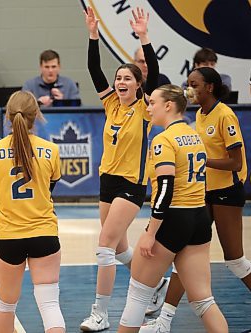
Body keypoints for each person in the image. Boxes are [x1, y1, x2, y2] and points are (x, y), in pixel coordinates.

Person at [140, 67, 251, 333]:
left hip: (226, 192)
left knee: (235, 261)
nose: (189, 89)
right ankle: (164, 322)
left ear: (210, 87)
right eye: (188, 84)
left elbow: (236, 163)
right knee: (184, 257)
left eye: (195, 84)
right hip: (201, 194)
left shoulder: (224, 114)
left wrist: (201, 160)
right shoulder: (198, 116)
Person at [79, 7, 169, 332]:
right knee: (118, 248)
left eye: (126, 78)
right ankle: (155, 283)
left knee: (104, 244)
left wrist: (144, 37)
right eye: (118, 78)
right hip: (107, 181)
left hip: (131, 185)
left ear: (138, 84)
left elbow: (155, 71)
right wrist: (93, 33)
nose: (119, 82)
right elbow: (93, 67)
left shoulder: (145, 108)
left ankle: (100, 314)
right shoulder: (111, 103)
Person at [117, 84, 228, 333]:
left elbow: (165, 188)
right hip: (199, 217)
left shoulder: (164, 140)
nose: (148, 108)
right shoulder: (194, 135)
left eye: (152, 103)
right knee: (202, 299)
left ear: (169, 105)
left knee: (137, 296)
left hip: (172, 218)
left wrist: (150, 232)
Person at [0, 91, 65, 333]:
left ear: (6, 116)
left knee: (6, 306)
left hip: (9, 236)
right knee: (50, 305)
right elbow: (50, 187)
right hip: (44, 233)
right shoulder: (51, 150)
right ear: (36, 115)